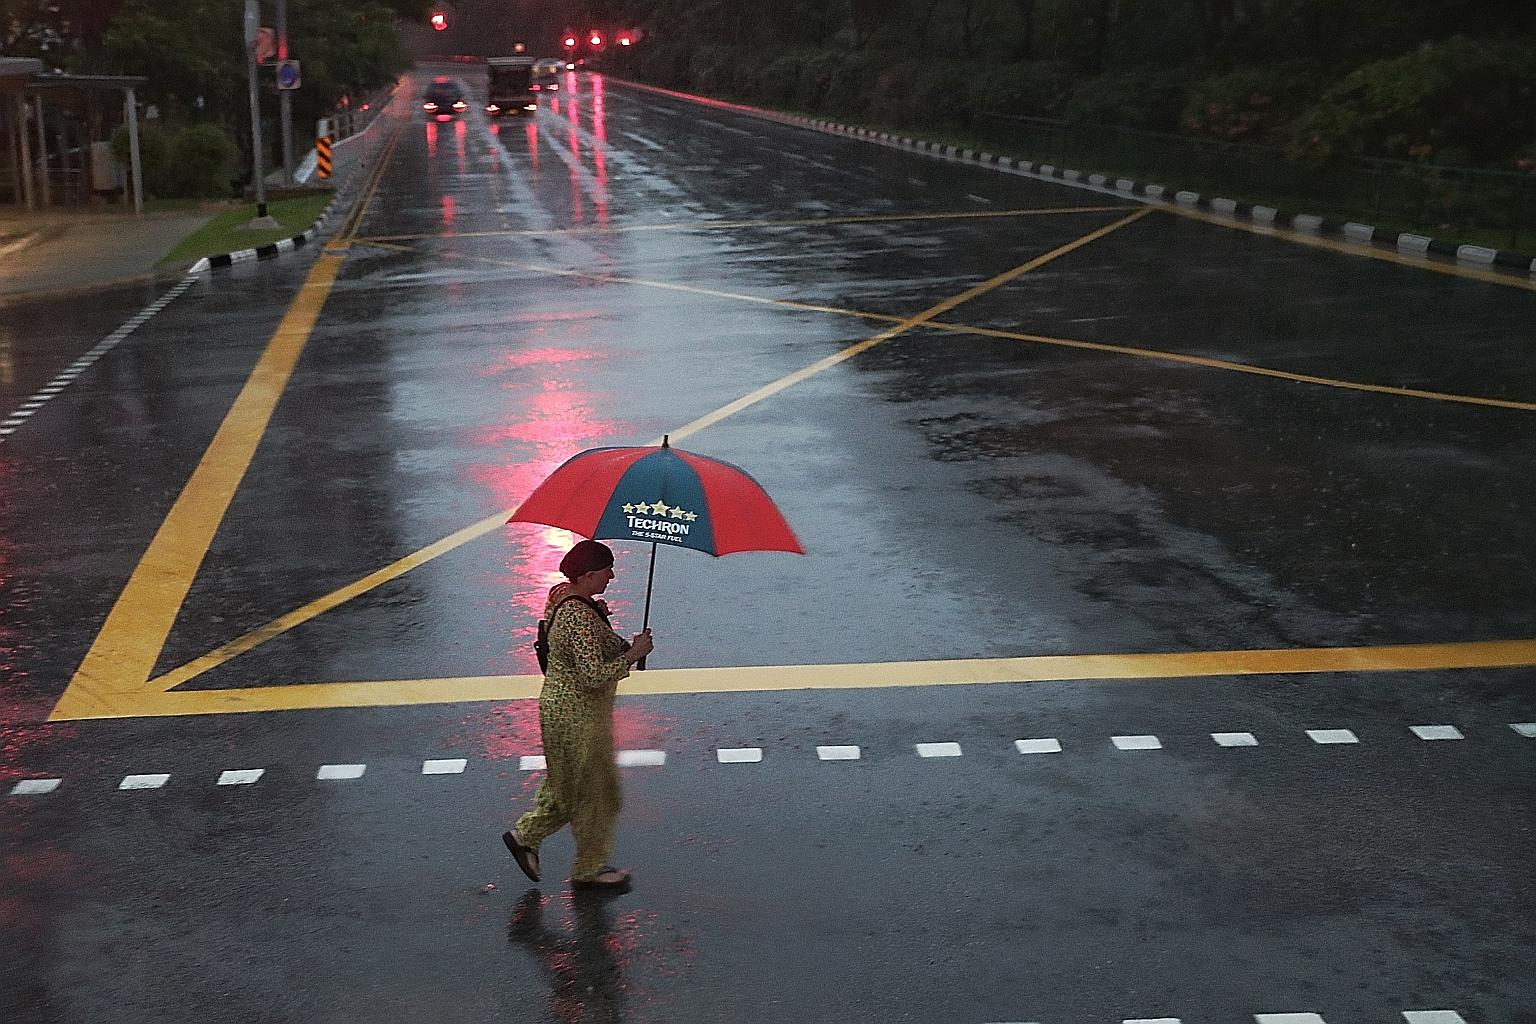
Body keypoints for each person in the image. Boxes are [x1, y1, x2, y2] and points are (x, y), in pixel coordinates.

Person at [503, 540, 653, 891]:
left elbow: (587, 649)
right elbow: (594, 675)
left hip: (562, 711)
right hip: (579, 716)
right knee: (595, 793)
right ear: (587, 575)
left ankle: (526, 837)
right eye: (606, 571)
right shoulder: (578, 615)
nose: (611, 576)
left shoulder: (566, 598)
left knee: (567, 786)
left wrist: (602, 619)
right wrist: (633, 655)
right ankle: (587, 868)